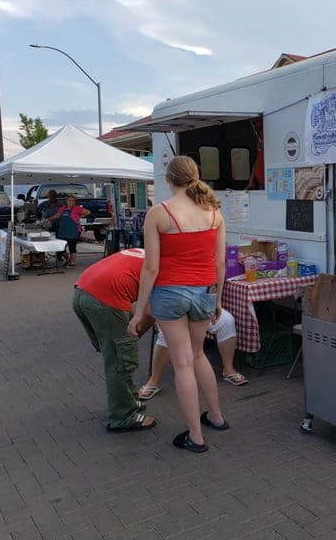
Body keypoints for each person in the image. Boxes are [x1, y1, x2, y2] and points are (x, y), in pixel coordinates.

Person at [128, 155, 228, 454]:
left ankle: (195, 437)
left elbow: (151, 268)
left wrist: (137, 312)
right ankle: (216, 416)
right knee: (198, 356)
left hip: (171, 293)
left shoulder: (159, 213)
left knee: (182, 362)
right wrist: (218, 299)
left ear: (168, 179)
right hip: (205, 291)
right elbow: (220, 262)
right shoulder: (214, 213)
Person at [72, 248, 157, 432]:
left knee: (116, 354)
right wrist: (132, 339)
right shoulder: (162, 266)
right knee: (122, 360)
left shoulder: (143, 251)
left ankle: (129, 400)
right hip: (103, 299)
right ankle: (123, 416)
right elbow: (150, 313)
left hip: (82, 291)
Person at [138, 308, 247, 401]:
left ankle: (228, 369)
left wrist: (215, 302)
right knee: (168, 336)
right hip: (171, 309)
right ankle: (153, 381)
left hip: (199, 306)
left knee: (227, 321)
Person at [48, 194, 90, 267]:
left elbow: (88, 212)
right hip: (63, 230)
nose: (72, 202)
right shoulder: (63, 208)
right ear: (66, 201)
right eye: (70, 201)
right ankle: (67, 259)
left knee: (72, 247)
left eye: (73, 201)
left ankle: (72, 263)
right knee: (61, 247)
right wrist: (48, 219)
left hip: (74, 230)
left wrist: (79, 217)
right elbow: (57, 215)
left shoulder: (77, 208)